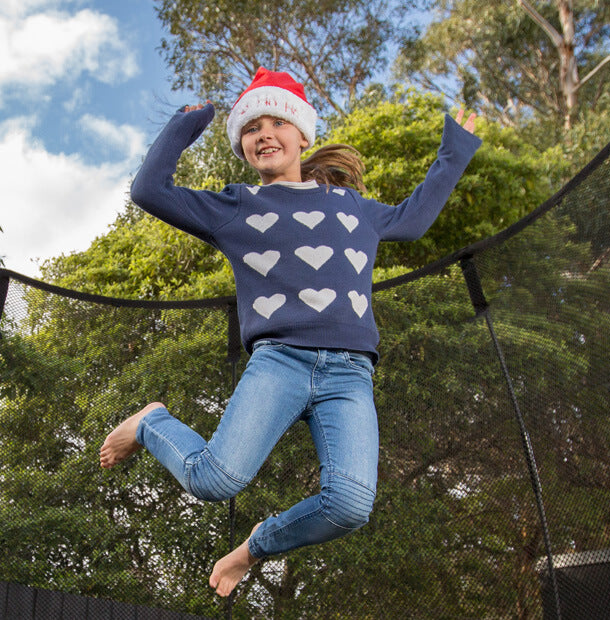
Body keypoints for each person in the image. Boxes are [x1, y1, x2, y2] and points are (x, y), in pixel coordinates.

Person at [98, 67, 481, 597]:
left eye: (278, 121)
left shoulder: (353, 209)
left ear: (303, 134)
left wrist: (454, 151)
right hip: (280, 361)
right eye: (252, 128)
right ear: (243, 145)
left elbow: (413, 221)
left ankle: (254, 547)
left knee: (349, 505)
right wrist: (185, 127)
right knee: (215, 481)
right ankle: (151, 423)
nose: (264, 134)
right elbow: (149, 190)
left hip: (350, 374)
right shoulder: (236, 207)